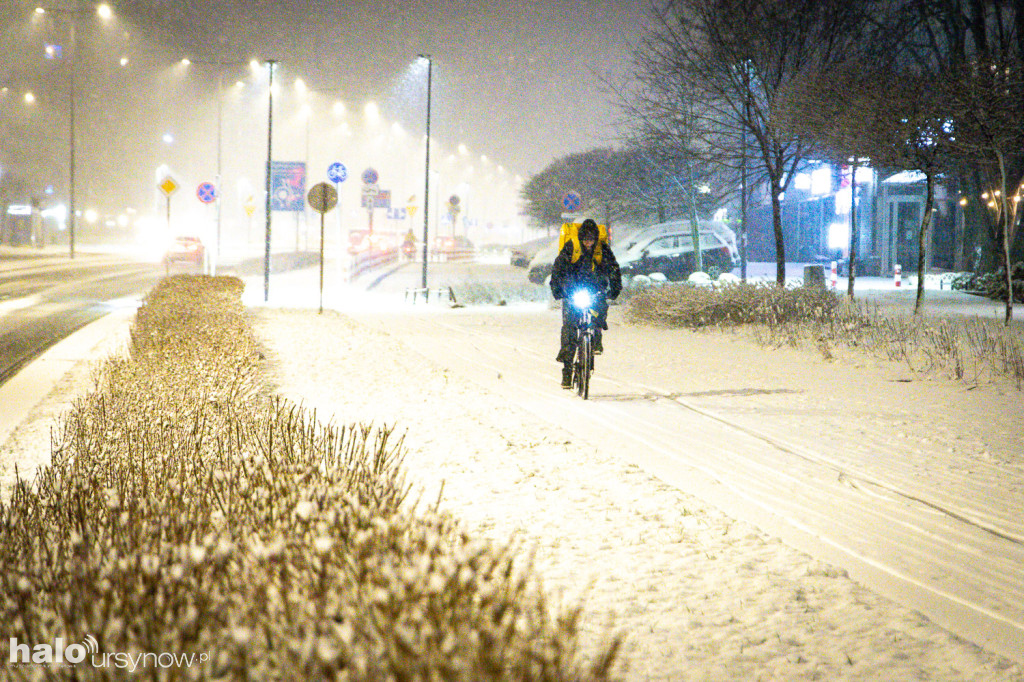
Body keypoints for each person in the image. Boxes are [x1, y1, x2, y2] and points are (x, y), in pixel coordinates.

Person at [549, 218, 622, 388]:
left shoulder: (602, 249)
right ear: (581, 238)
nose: (589, 243)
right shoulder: (571, 248)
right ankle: (567, 371)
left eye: (592, 239)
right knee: (569, 329)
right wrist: (557, 288)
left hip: (595, 291)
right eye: (586, 239)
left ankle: (596, 339)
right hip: (573, 292)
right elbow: (558, 269)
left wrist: (615, 287)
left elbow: (614, 268)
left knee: (599, 313)